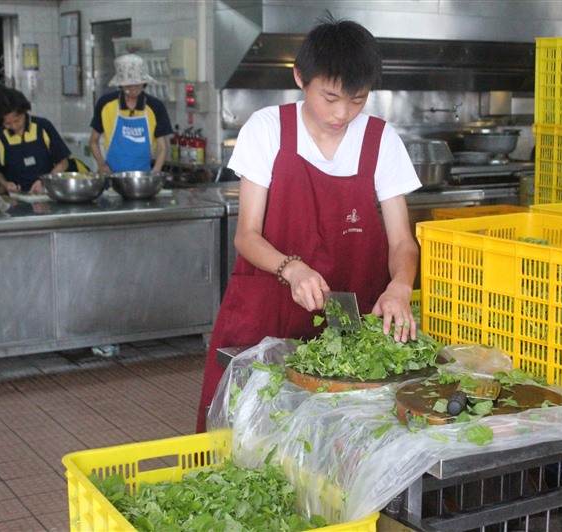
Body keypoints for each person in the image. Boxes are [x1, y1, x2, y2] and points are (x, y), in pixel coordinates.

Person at [195, 13, 422, 433]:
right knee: (248, 438)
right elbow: (247, 235)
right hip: (267, 316)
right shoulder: (267, 129)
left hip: (348, 327)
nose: (342, 113)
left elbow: (401, 243)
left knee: (337, 442)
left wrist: (400, 286)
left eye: (357, 100)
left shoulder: (382, 141)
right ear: (301, 77)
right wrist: (291, 268)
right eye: (330, 97)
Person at [89, 53, 173, 174]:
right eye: (128, 85)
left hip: (143, 177)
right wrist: (101, 164)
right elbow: (93, 141)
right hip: (112, 176)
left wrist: (154, 174)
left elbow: (162, 148)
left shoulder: (155, 107)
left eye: (137, 85)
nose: (133, 89)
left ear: (144, 83)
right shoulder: (106, 104)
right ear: (121, 85)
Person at [0, 86, 70, 194]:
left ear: (24, 111)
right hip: (17, 198)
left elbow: (63, 163)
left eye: (17, 120)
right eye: (7, 124)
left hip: (48, 194)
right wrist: (6, 184)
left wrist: (45, 182)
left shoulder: (43, 127)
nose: (14, 126)